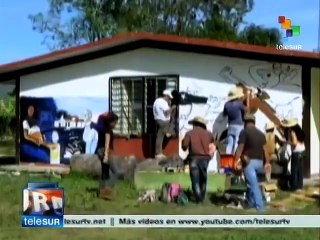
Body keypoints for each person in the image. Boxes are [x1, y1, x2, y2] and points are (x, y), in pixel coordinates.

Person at [234, 113, 270, 211]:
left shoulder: (244, 132)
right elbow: (265, 150)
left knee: (253, 185)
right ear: (254, 122)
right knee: (251, 183)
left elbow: (240, 148)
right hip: (260, 163)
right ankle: (250, 202)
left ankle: (260, 208)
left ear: (245, 122)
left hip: (250, 163)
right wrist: (267, 163)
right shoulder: (261, 134)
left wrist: (236, 160)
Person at [181, 116, 214, 203]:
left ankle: (198, 198)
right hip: (205, 159)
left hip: (194, 158)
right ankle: (201, 196)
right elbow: (212, 146)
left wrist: (182, 142)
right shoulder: (209, 134)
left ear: (195, 125)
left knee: (195, 179)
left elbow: (184, 147)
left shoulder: (189, 133)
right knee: (203, 178)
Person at [95, 112, 120, 199]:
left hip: (99, 151)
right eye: (115, 122)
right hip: (105, 152)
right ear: (111, 122)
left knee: (105, 172)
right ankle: (107, 189)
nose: (116, 125)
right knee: (116, 172)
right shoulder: (107, 131)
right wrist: (106, 155)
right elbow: (107, 143)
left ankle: (101, 191)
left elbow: (102, 116)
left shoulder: (102, 128)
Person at [280, 118, 305, 192]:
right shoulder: (300, 131)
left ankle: (294, 187)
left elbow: (294, 143)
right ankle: (299, 186)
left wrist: (286, 142)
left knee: (294, 170)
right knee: (300, 170)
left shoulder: (293, 132)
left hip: (296, 152)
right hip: (302, 151)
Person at [153, 89, 176, 160]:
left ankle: (169, 132)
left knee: (161, 135)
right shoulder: (162, 102)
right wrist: (172, 108)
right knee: (160, 136)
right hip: (163, 120)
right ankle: (158, 153)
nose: (169, 99)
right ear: (166, 96)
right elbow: (166, 112)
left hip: (159, 119)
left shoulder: (157, 100)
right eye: (169, 97)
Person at [223, 86, 245, 154]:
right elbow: (244, 112)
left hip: (230, 125)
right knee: (236, 143)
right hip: (239, 125)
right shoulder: (239, 104)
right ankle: (235, 161)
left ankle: (227, 162)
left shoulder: (226, 104)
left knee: (229, 144)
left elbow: (224, 114)